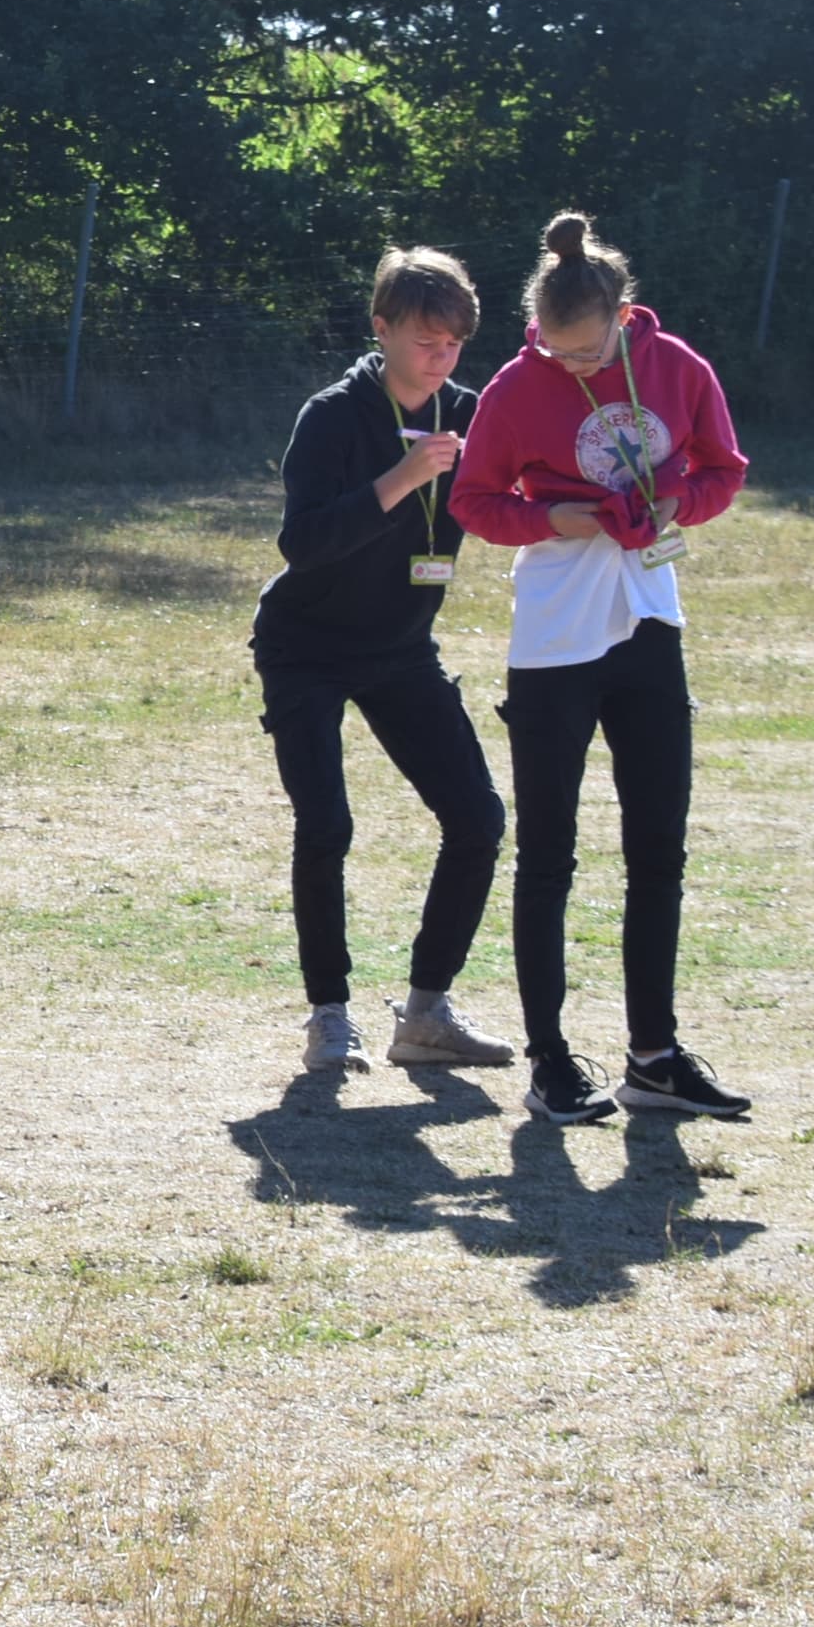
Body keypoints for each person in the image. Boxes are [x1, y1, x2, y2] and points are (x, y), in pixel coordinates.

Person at [452, 211, 752, 1125]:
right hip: (555, 635)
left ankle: (653, 1058)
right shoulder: (516, 385)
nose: (569, 368)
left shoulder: (677, 367)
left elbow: (723, 468)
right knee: (548, 855)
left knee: (659, 846)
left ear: (624, 318)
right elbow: (473, 498)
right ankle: (550, 1063)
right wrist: (554, 520)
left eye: (585, 354)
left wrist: (674, 502)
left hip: (649, 619)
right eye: (554, 352)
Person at [250, 248, 515, 1078]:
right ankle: (330, 1016)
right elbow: (303, 544)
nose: (440, 356)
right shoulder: (333, 416)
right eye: (425, 339)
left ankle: (427, 1014)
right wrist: (401, 477)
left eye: (453, 344)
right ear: (382, 329)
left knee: (477, 820)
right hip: (307, 647)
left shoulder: (471, 413)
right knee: (328, 824)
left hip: (401, 647)